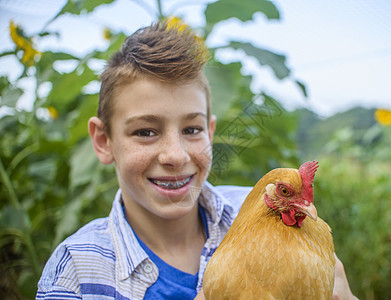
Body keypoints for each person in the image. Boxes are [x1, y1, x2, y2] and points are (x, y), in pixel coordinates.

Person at [37, 19, 357, 299]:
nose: (176, 156)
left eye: (191, 129)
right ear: (104, 141)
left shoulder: (270, 218)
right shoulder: (76, 273)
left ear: (211, 131)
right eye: (145, 132)